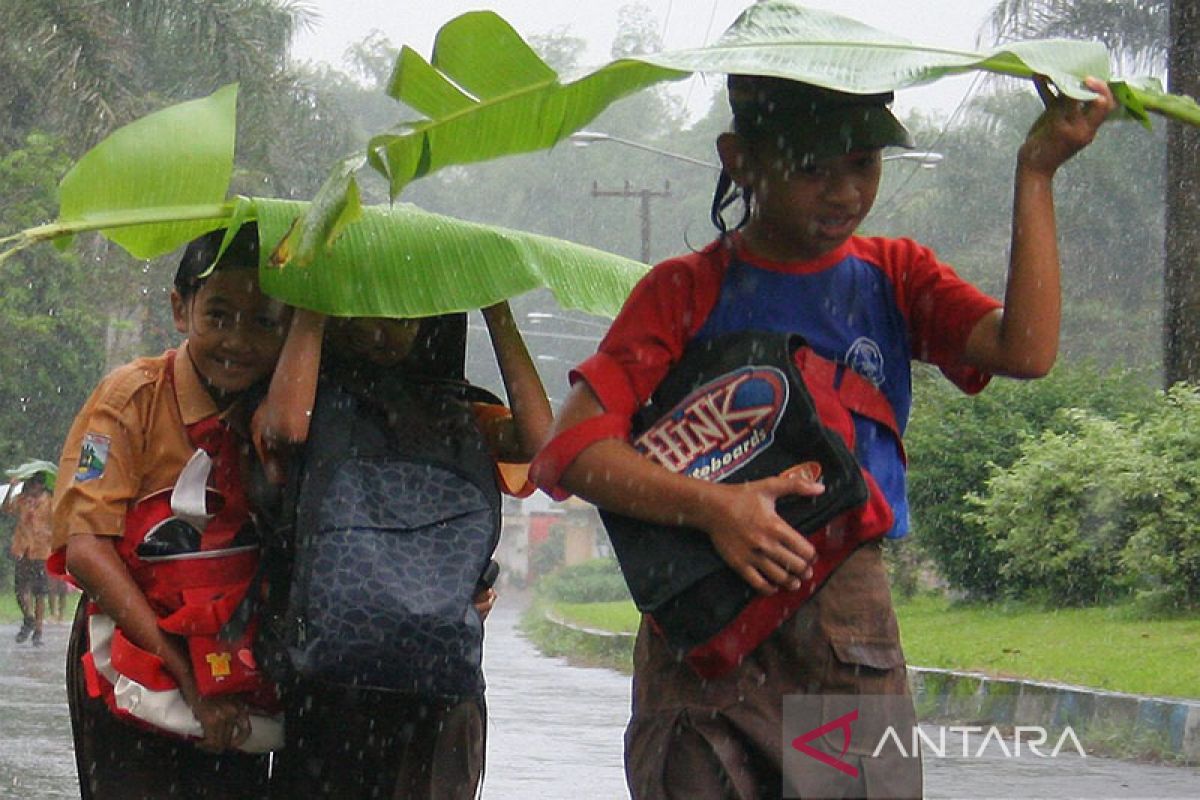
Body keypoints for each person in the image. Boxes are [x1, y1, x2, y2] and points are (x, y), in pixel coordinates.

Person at [531, 72, 1115, 799]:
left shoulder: (895, 278)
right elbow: (574, 446)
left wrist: (1037, 170)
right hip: (704, 625)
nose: (844, 194)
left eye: (862, 165)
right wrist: (717, 509)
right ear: (740, 160)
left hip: (842, 622)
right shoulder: (683, 291)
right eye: (812, 169)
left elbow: (1026, 350)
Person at [256, 302, 552, 799]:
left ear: (432, 324)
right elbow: (286, 428)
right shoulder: (311, 403)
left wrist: (497, 313)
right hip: (332, 687)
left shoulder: (466, 416)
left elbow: (542, 445)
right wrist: (315, 302)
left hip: (432, 691)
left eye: (401, 318)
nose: (377, 331)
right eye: (360, 314)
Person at [50, 223, 290, 799]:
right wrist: (186, 673)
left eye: (264, 322)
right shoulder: (129, 399)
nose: (238, 341)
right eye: (219, 316)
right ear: (181, 309)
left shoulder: (287, 414)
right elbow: (85, 548)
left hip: (239, 662)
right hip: (134, 649)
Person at [4, 471, 53, 646]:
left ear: (40, 486)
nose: (33, 488)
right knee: (20, 589)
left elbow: (58, 520)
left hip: (41, 551)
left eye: (35, 485)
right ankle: (29, 617)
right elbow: (6, 509)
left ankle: (38, 630)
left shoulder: (49, 501)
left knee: (40, 592)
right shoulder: (22, 500)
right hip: (22, 549)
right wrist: (11, 488)